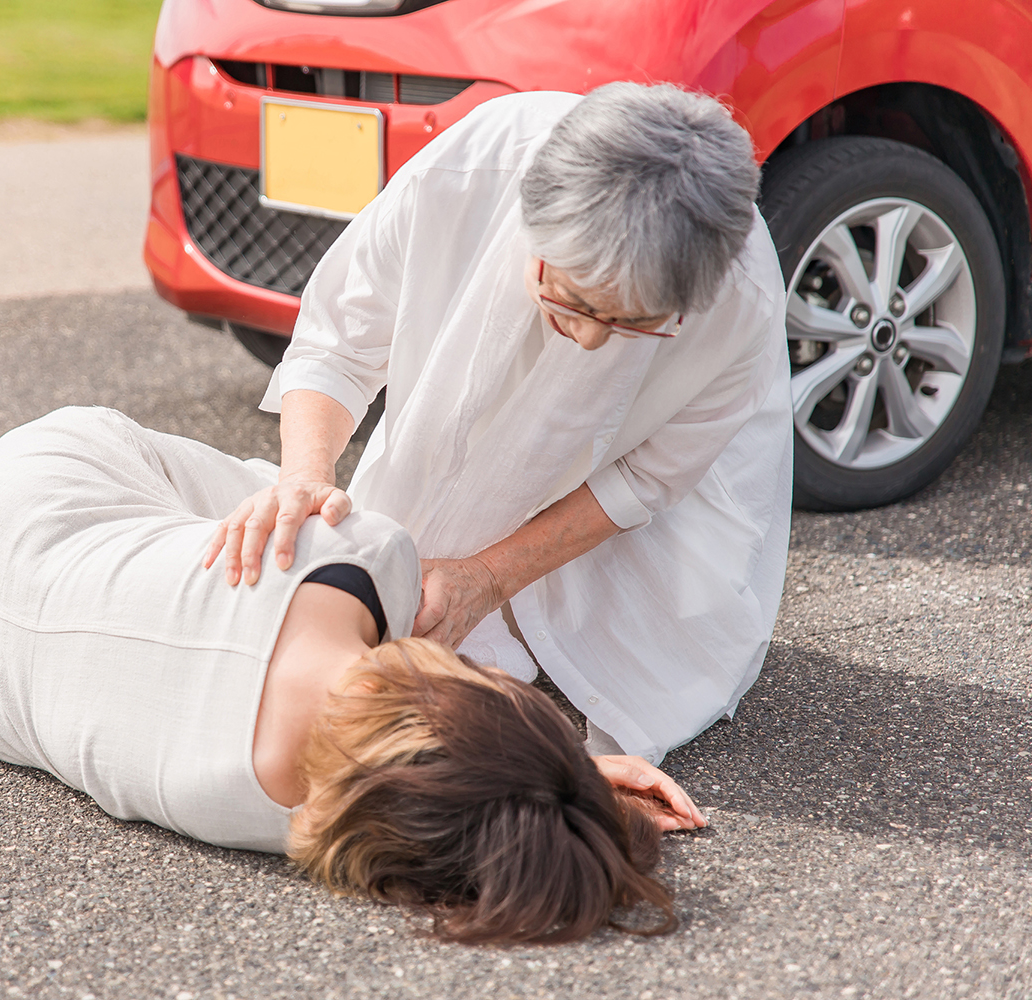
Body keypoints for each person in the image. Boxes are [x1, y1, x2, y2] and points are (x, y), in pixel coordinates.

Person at [0, 406, 707, 945]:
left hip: (21, 486)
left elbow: (443, 716)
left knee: (278, 509)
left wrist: (556, 766)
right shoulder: (262, 820)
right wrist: (553, 791)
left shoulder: (368, 554)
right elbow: (440, 796)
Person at [208, 82, 793, 764]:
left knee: (657, 648)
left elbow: (646, 476)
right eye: (570, 300)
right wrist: (305, 475)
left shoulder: (741, 297)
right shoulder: (470, 172)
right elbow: (341, 340)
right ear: (531, 226)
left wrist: (490, 576)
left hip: (654, 473)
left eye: (635, 324)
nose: (591, 341)